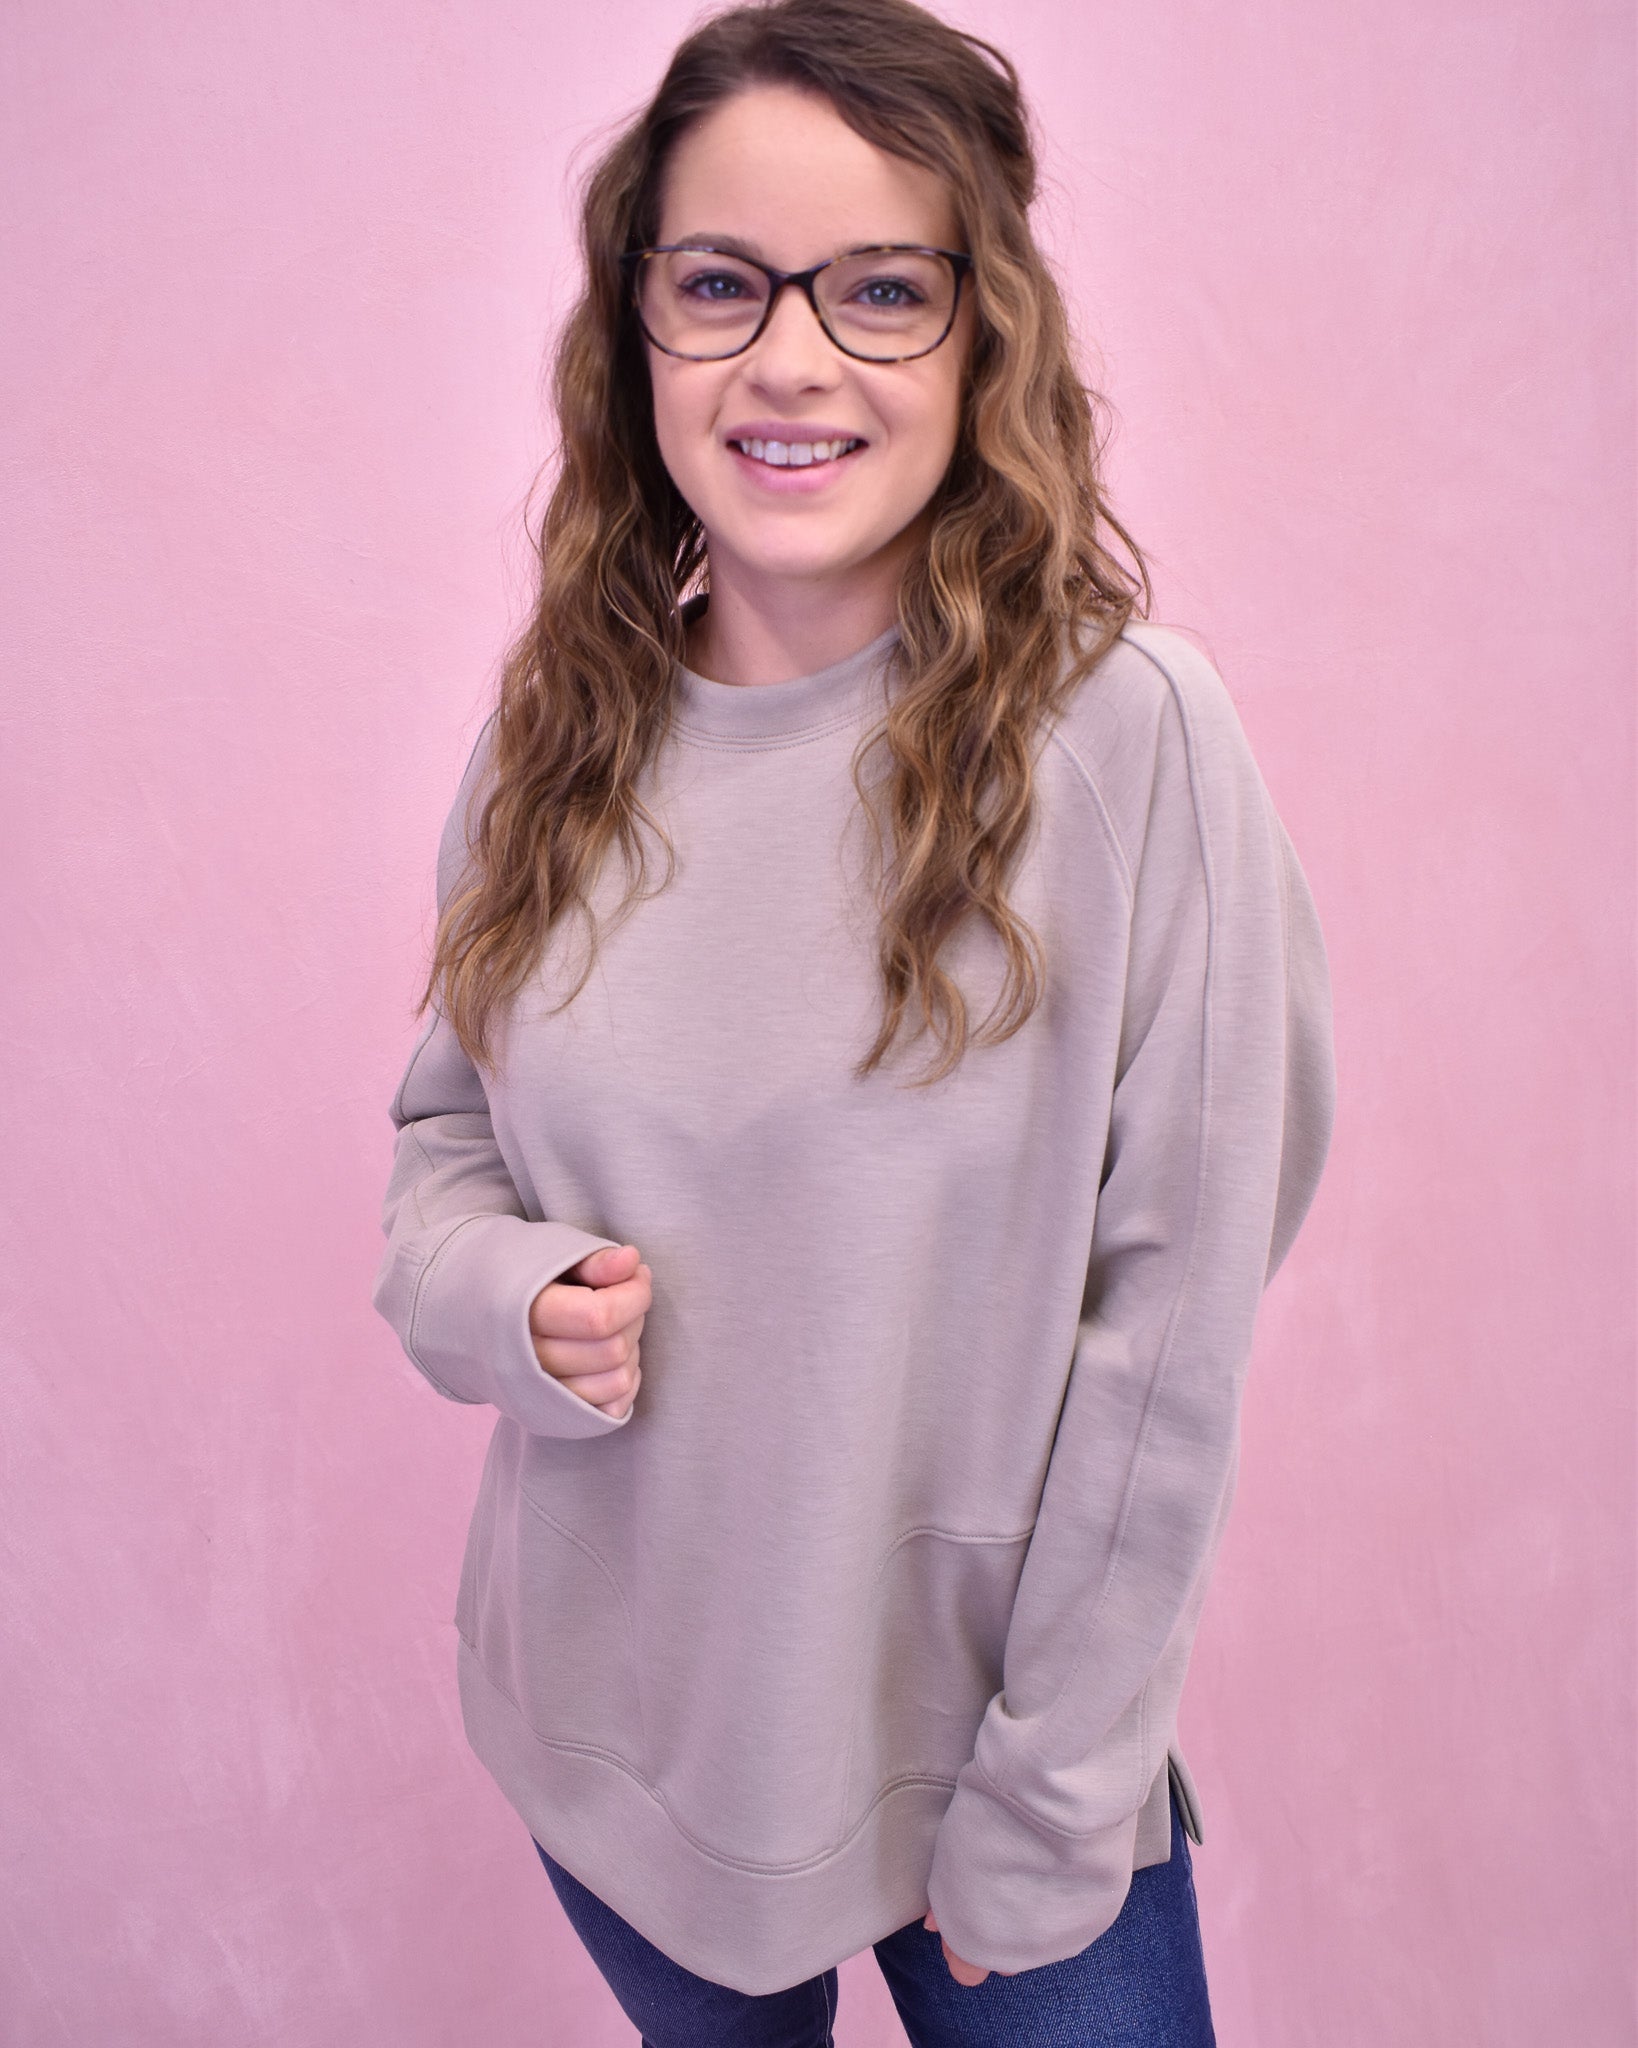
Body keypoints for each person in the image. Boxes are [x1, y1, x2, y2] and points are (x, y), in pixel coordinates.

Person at [371, 0, 1337, 2040]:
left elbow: (1170, 1329)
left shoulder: (1128, 742)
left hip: (993, 1775)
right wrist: (504, 1299)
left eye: (880, 289)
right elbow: (441, 1150)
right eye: (720, 283)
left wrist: (1052, 1813)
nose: (790, 360)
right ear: (637, 327)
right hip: (618, 1735)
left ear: (984, 333)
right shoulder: (551, 739)